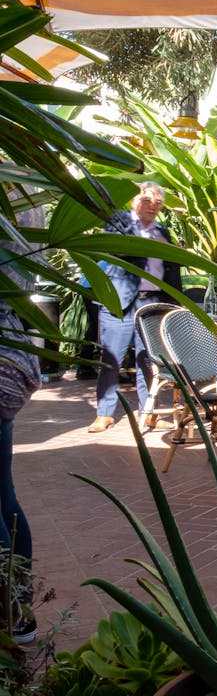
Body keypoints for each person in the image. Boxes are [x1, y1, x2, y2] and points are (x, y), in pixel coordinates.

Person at [89, 183, 183, 433]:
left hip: (152, 303)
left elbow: (171, 268)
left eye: (157, 203)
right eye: (147, 201)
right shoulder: (119, 223)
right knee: (111, 359)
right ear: (134, 201)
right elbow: (113, 247)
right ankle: (104, 414)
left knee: (148, 361)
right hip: (120, 302)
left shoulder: (162, 231)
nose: (152, 207)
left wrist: (174, 302)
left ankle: (149, 412)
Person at [1, 213, 43, 644]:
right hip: (12, 362)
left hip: (4, 364)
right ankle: (19, 604)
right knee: (4, 497)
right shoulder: (28, 207)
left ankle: (9, 610)